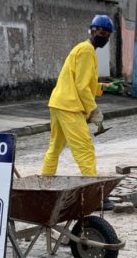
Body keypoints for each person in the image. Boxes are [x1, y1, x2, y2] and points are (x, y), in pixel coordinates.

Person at [41, 15, 122, 208]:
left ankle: (44, 185)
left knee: (55, 148)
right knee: (85, 149)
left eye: (108, 34)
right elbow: (82, 87)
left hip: (58, 103)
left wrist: (106, 87)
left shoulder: (84, 49)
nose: (105, 37)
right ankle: (95, 196)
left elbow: (87, 84)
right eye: (102, 32)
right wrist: (93, 110)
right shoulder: (86, 51)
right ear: (92, 31)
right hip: (69, 106)